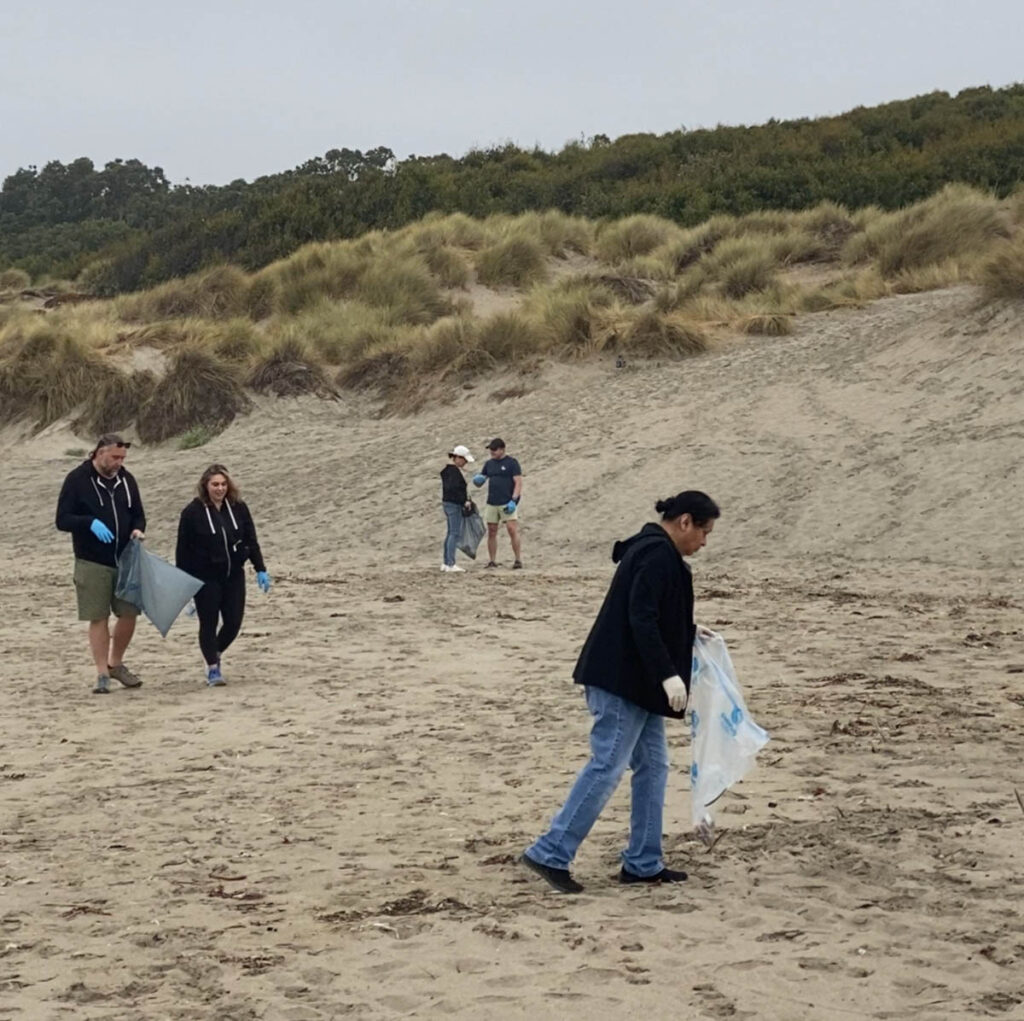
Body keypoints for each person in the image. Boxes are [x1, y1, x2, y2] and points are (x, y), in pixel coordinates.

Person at [520, 490, 721, 894]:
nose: (704, 541)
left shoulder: (656, 552)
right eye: (704, 531)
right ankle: (550, 851)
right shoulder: (655, 553)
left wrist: (688, 634)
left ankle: (644, 863)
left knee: (654, 766)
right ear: (684, 522)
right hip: (619, 680)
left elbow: (652, 612)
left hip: (635, 682)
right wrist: (668, 673)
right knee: (607, 764)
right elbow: (640, 616)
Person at [55, 433, 147, 695]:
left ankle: (115, 663)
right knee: (98, 616)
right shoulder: (77, 480)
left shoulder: (127, 480)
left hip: (126, 558)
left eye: (122, 458)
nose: (119, 462)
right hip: (91, 560)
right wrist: (88, 523)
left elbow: (138, 513)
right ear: (99, 453)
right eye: (115, 457)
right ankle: (102, 673)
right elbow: (62, 519)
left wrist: (138, 530)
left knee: (129, 613)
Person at [175, 464, 271, 687]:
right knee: (208, 623)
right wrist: (184, 583)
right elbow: (183, 550)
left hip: (233, 575)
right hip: (205, 577)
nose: (219, 488)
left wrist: (260, 569)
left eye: (223, 484)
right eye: (215, 484)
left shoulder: (238, 508)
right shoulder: (192, 513)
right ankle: (212, 668)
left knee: (233, 623)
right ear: (205, 486)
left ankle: (214, 652)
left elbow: (251, 540)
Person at [472, 438, 523, 569]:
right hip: (492, 502)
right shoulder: (489, 464)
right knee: (492, 531)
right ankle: (492, 560)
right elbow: (482, 479)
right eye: (491, 449)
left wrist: (514, 500)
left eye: (494, 449)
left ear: (502, 449)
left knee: (512, 530)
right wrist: (478, 480)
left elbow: (518, 482)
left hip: (507, 501)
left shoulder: (512, 463)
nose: (492, 452)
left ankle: (517, 559)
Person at [440, 444, 475, 573]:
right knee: (454, 533)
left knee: (451, 533)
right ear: (458, 458)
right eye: (464, 460)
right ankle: (450, 563)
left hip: (448, 503)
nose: (465, 463)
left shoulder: (448, 470)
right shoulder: (453, 472)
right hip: (454, 504)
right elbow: (454, 490)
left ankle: (446, 562)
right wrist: (464, 501)